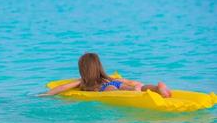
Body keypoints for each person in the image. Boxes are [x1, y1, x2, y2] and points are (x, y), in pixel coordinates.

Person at [39, 53, 171, 97]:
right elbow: (122, 80)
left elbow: (62, 87)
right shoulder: (107, 77)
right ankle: (155, 88)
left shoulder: (82, 81)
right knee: (133, 86)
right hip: (115, 82)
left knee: (118, 91)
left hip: (105, 89)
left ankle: (136, 91)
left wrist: (46, 94)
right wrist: (133, 83)